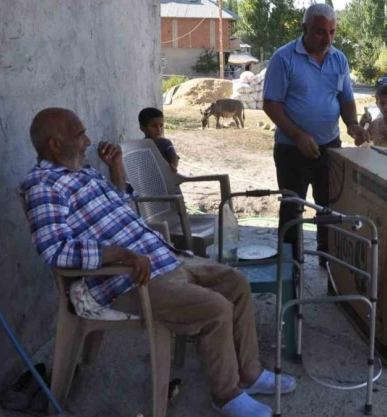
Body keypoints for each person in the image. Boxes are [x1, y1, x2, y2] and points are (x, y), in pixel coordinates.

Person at [19, 108, 295, 417]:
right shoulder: (43, 186)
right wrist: (120, 255)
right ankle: (226, 394)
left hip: (161, 256)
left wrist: (116, 168)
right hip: (125, 279)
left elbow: (122, 205)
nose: (88, 141)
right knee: (217, 308)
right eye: (80, 135)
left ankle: (250, 374)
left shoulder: (82, 172)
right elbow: (56, 250)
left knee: (236, 282)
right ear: (55, 145)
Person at [263, 3, 369, 264]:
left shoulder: (339, 59)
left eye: (332, 32)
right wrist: (298, 135)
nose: (327, 39)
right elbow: (271, 104)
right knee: (292, 209)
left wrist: (352, 125)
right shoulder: (283, 58)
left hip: (329, 147)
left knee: (329, 207)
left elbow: (345, 98)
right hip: (291, 150)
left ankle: (328, 261)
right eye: (321, 32)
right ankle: (291, 268)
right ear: (304, 28)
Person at [139, 107, 179, 173]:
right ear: (143, 128)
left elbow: (174, 156)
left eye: (161, 125)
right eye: (154, 126)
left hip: (166, 176)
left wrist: (173, 166)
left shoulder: (166, 143)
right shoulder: (140, 146)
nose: (159, 129)